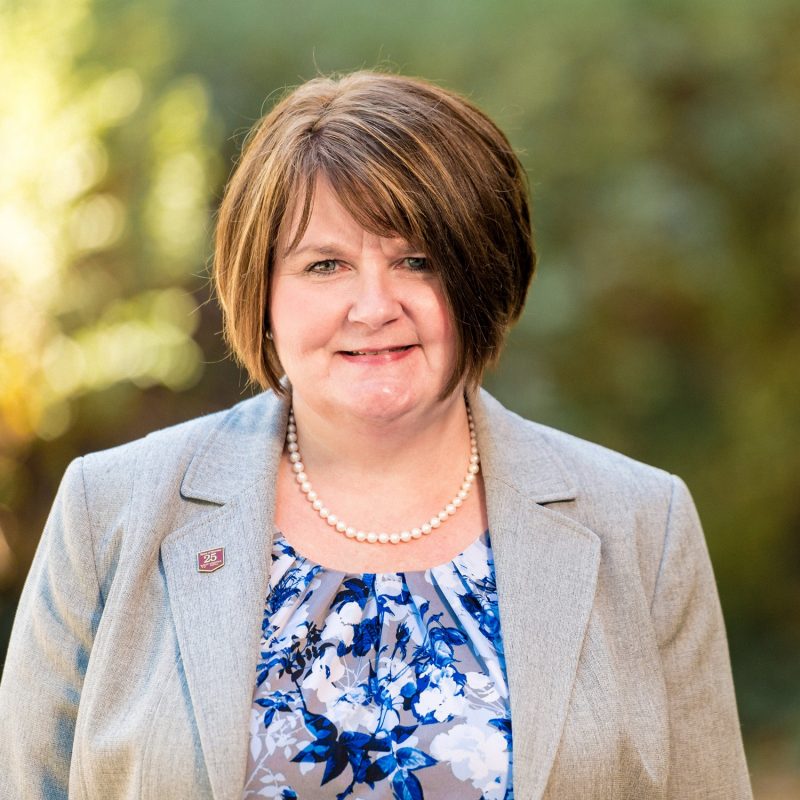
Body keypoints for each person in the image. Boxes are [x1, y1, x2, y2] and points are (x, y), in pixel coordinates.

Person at [0, 71, 751, 799]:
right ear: (261, 293)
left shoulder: (643, 526)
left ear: (484, 280)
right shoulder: (113, 508)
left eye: (416, 261)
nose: (373, 305)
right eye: (324, 265)